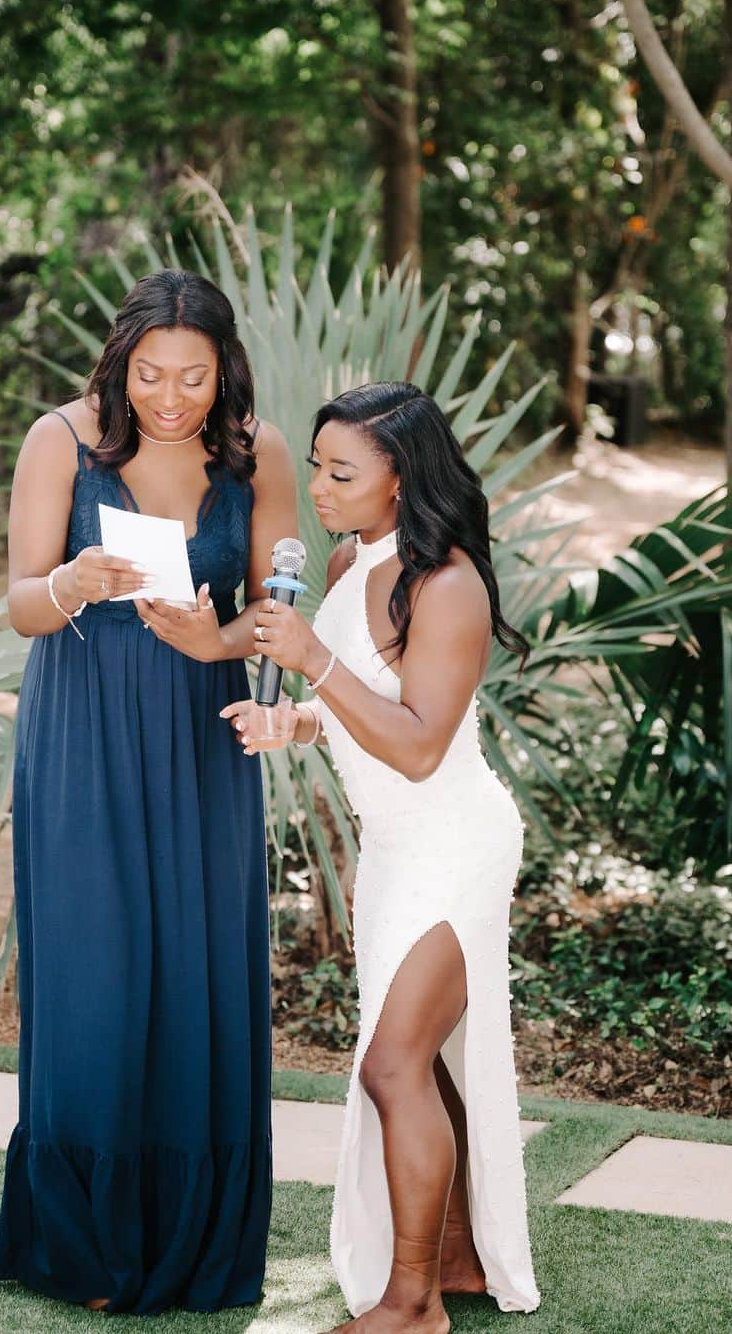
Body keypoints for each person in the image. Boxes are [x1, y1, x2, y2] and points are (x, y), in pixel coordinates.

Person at [0, 269, 297, 1314]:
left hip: (204, 740)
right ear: (120, 362)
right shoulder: (60, 442)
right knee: (97, 972)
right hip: (84, 735)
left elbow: (282, 612)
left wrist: (215, 637)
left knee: (200, 972)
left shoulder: (261, 458)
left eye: (194, 377)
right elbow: (22, 605)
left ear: (225, 371)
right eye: (150, 374)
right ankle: (88, 1244)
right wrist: (73, 582)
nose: (170, 397)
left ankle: (197, 1240)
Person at [222, 382, 540, 1332]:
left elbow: (417, 742)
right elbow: (366, 704)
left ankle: (413, 1302)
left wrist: (313, 663)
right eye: (317, 465)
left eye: (341, 472)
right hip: (396, 849)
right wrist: (298, 720)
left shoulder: (447, 585)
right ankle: (459, 1256)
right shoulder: (355, 558)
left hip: (456, 846)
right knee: (428, 1062)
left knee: (391, 1065)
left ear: (400, 479)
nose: (317, 486)